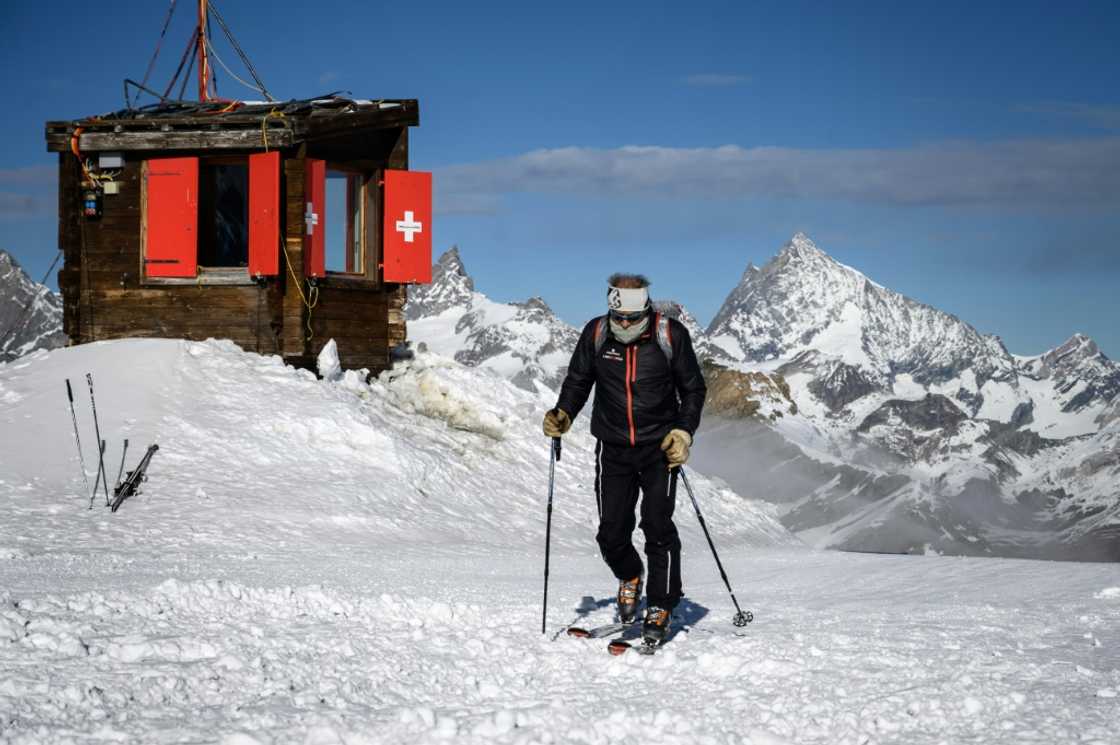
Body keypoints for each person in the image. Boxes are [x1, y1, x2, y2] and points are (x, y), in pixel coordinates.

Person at [543, 273, 706, 645]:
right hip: (613, 447)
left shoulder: (670, 335)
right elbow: (579, 380)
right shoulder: (597, 333)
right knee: (611, 532)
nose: (626, 325)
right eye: (620, 318)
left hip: (659, 448)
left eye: (633, 319)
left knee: (657, 526)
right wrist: (564, 413)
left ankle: (662, 604)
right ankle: (631, 575)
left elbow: (693, 389)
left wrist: (682, 432)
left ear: (646, 309)